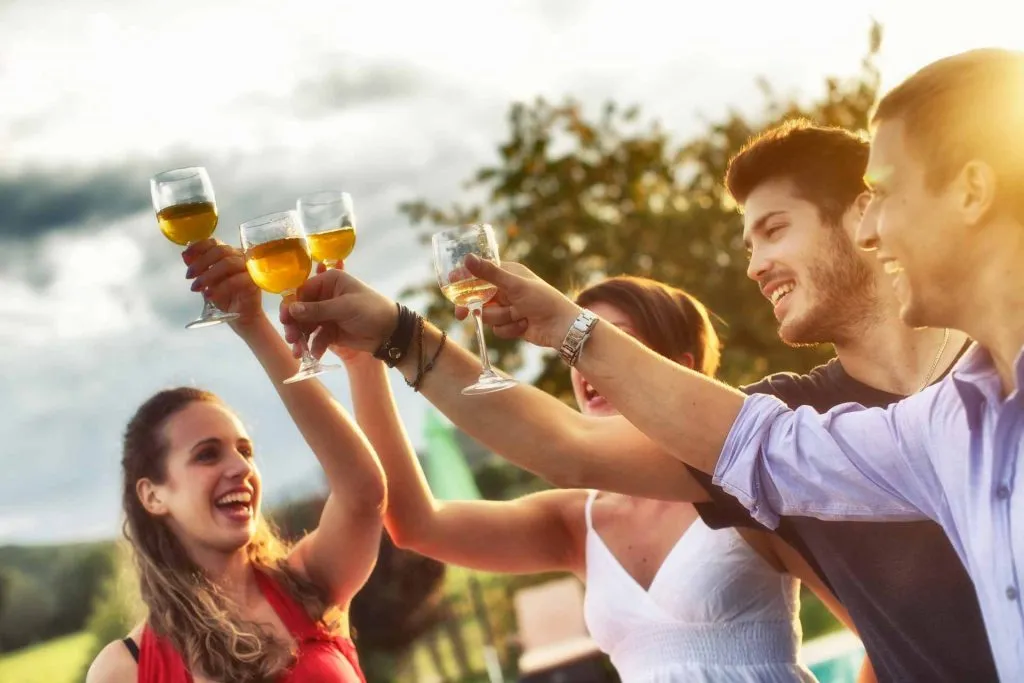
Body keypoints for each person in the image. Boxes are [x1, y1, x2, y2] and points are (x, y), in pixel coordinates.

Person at [290, 49, 1024, 678]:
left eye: (774, 229)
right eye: (747, 246)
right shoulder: (916, 426)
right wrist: (393, 336)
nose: (757, 267)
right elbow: (565, 446)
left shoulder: (969, 394)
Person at [341, 275, 817, 682]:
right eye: (574, 350)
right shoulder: (577, 522)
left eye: (607, 341)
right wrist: (365, 362)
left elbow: (876, 622)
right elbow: (416, 524)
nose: (585, 366)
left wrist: (398, 332)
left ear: (677, 369)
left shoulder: (744, 485)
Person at [86, 239, 386, 683]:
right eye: (207, 454)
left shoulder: (308, 585)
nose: (241, 468)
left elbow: (363, 493)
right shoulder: (125, 668)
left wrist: (254, 324)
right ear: (153, 495)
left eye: (244, 451)